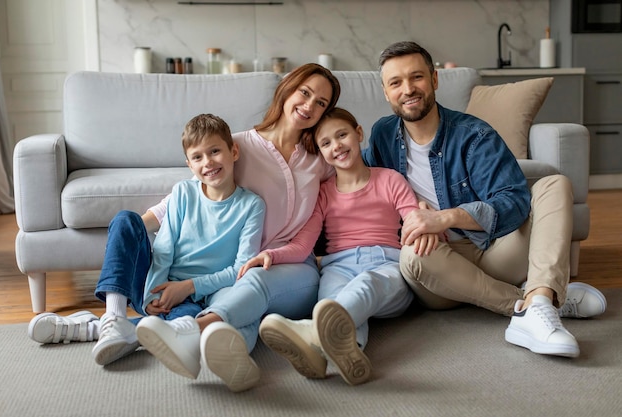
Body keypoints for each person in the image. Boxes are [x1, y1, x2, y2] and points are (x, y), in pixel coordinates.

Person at [363, 40, 607, 358]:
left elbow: (514, 201)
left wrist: (446, 216)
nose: (408, 89)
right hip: (439, 269)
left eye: (417, 77)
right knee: (411, 257)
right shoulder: (383, 134)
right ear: (385, 91)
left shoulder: (474, 135)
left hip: (493, 251)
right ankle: (536, 301)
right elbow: (363, 185)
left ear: (434, 80)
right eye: (396, 82)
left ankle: (539, 300)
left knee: (555, 184)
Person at [131, 63, 340, 392]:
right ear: (287, 89)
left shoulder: (320, 159)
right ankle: (233, 357)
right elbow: (190, 195)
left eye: (321, 103)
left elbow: (334, 203)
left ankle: (191, 334)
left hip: (292, 268)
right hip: (237, 267)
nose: (310, 105)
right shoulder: (238, 146)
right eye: (305, 93)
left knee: (253, 282)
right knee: (239, 307)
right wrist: (134, 232)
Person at [28, 113, 266, 367]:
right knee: (125, 220)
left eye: (215, 151)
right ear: (189, 164)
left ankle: (90, 329)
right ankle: (113, 317)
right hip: (155, 287)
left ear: (234, 151)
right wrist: (153, 295)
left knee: (182, 328)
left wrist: (187, 287)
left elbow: (239, 270)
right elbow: (164, 247)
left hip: (195, 297)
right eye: (198, 157)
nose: (208, 162)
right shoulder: (184, 192)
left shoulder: (252, 205)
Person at [241, 107, 438, 385]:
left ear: (358, 134)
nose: (337, 146)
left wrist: (426, 226)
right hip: (338, 267)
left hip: (388, 265)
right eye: (326, 143)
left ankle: (311, 333)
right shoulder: (323, 192)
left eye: (342, 135)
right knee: (331, 305)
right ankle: (346, 353)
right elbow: (303, 245)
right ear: (321, 153)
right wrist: (271, 254)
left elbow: (413, 219)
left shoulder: (390, 179)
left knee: (367, 284)